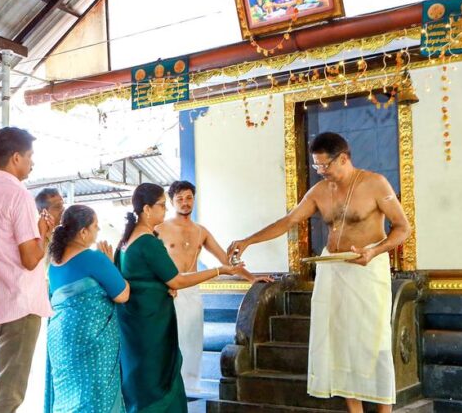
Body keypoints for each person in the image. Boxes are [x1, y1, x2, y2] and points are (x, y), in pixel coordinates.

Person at [227, 132, 410, 413]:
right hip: (331, 268)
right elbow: (289, 220)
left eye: (325, 166)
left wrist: (375, 250)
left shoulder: (374, 183)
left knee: (373, 342)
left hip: (366, 266)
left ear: (344, 158)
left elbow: (402, 228)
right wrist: (248, 240)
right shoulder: (320, 191)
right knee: (338, 340)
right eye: (317, 167)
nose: (321, 172)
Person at [116, 183, 247, 413]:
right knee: (159, 376)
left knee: (154, 370)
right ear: (147, 209)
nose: (165, 210)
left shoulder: (127, 241)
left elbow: (134, 278)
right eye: (162, 205)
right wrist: (218, 271)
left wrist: (251, 277)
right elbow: (175, 280)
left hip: (138, 319)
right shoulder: (148, 240)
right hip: (150, 320)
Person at [157, 180, 270, 394]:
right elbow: (150, 261)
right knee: (170, 340)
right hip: (168, 290)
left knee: (192, 339)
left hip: (192, 290)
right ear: (172, 202)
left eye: (189, 197)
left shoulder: (201, 231)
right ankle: (168, 388)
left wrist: (252, 279)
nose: (185, 202)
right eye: (179, 199)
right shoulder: (160, 229)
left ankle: (189, 388)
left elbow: (226, 260)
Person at [0, 127, 54, 413]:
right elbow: (30, 258)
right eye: (30, 156)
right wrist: (43, 233)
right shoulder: (19, 195)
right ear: (17, 158)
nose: (32, 163)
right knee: (8, 395)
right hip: (20, 304)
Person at [45, 205, 129, 413]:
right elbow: (122, 294)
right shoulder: (94, 258)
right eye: (95, 227)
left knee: (69, 398)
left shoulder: (53, 263)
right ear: (83, 232)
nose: (97, 231)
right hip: (91, 341)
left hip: (60, 342)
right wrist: (112, 265)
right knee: (95, 398)